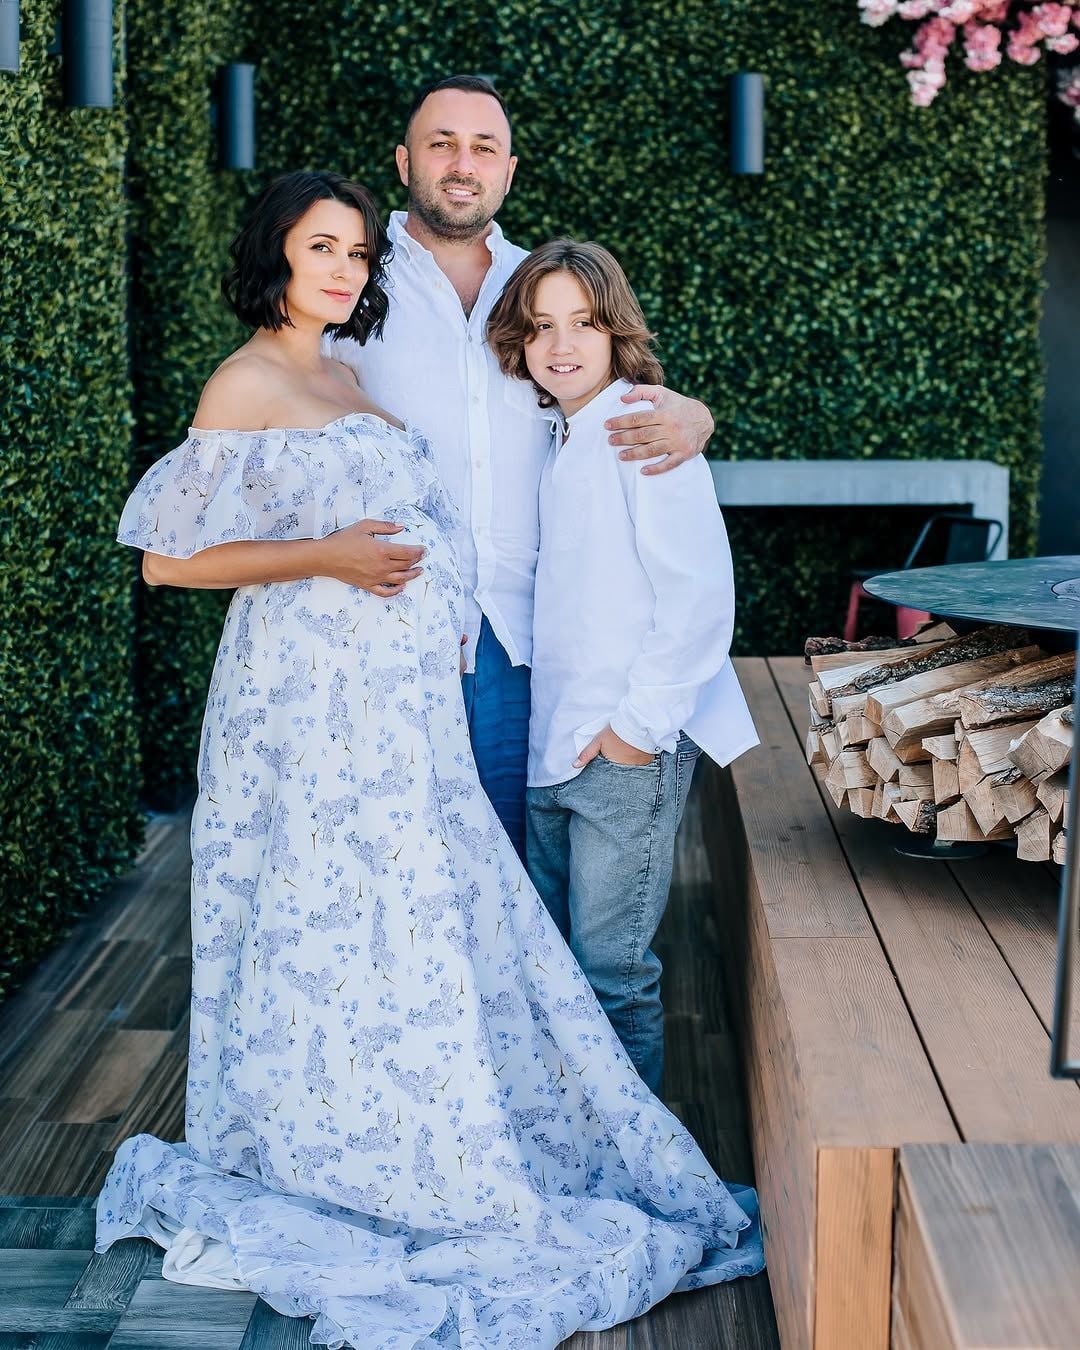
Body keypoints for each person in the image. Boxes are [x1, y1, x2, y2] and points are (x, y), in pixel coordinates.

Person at [95, 171, 763, 1350]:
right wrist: (326, 557)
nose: (343, 270)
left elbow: (600, 428)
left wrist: (691, 409)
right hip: (302, 710)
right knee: (324, 918)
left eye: (356, 253)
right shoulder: (245, 381)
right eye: (321, 248)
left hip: (403, 715)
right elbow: (168, 562)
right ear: (276, 254)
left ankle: (421, 1124)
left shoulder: (349, 376)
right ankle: (336, 1150)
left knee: (412, 927)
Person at [324, 74, 718, 856]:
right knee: (398, 870)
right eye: (442, 144)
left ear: (508, 169)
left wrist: (696, 414)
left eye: (483, 148)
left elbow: (611, 386)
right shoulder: (351, 285)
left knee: (514, 878)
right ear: (404, 161)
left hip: (522, 644)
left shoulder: (539, 289)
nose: (462, 164)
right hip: (388, 637)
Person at [486, 240, 759, 1095]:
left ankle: (639, 1163)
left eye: (583, 323)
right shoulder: (555, 435)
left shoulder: (644, 432)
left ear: (616, 332)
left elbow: (700, 599)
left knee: (612, 974)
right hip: (552, 748)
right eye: (541, 327)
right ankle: (577, 1144)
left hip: (620, 751)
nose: (560, 344)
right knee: (561, 971)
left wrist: (633, 734)